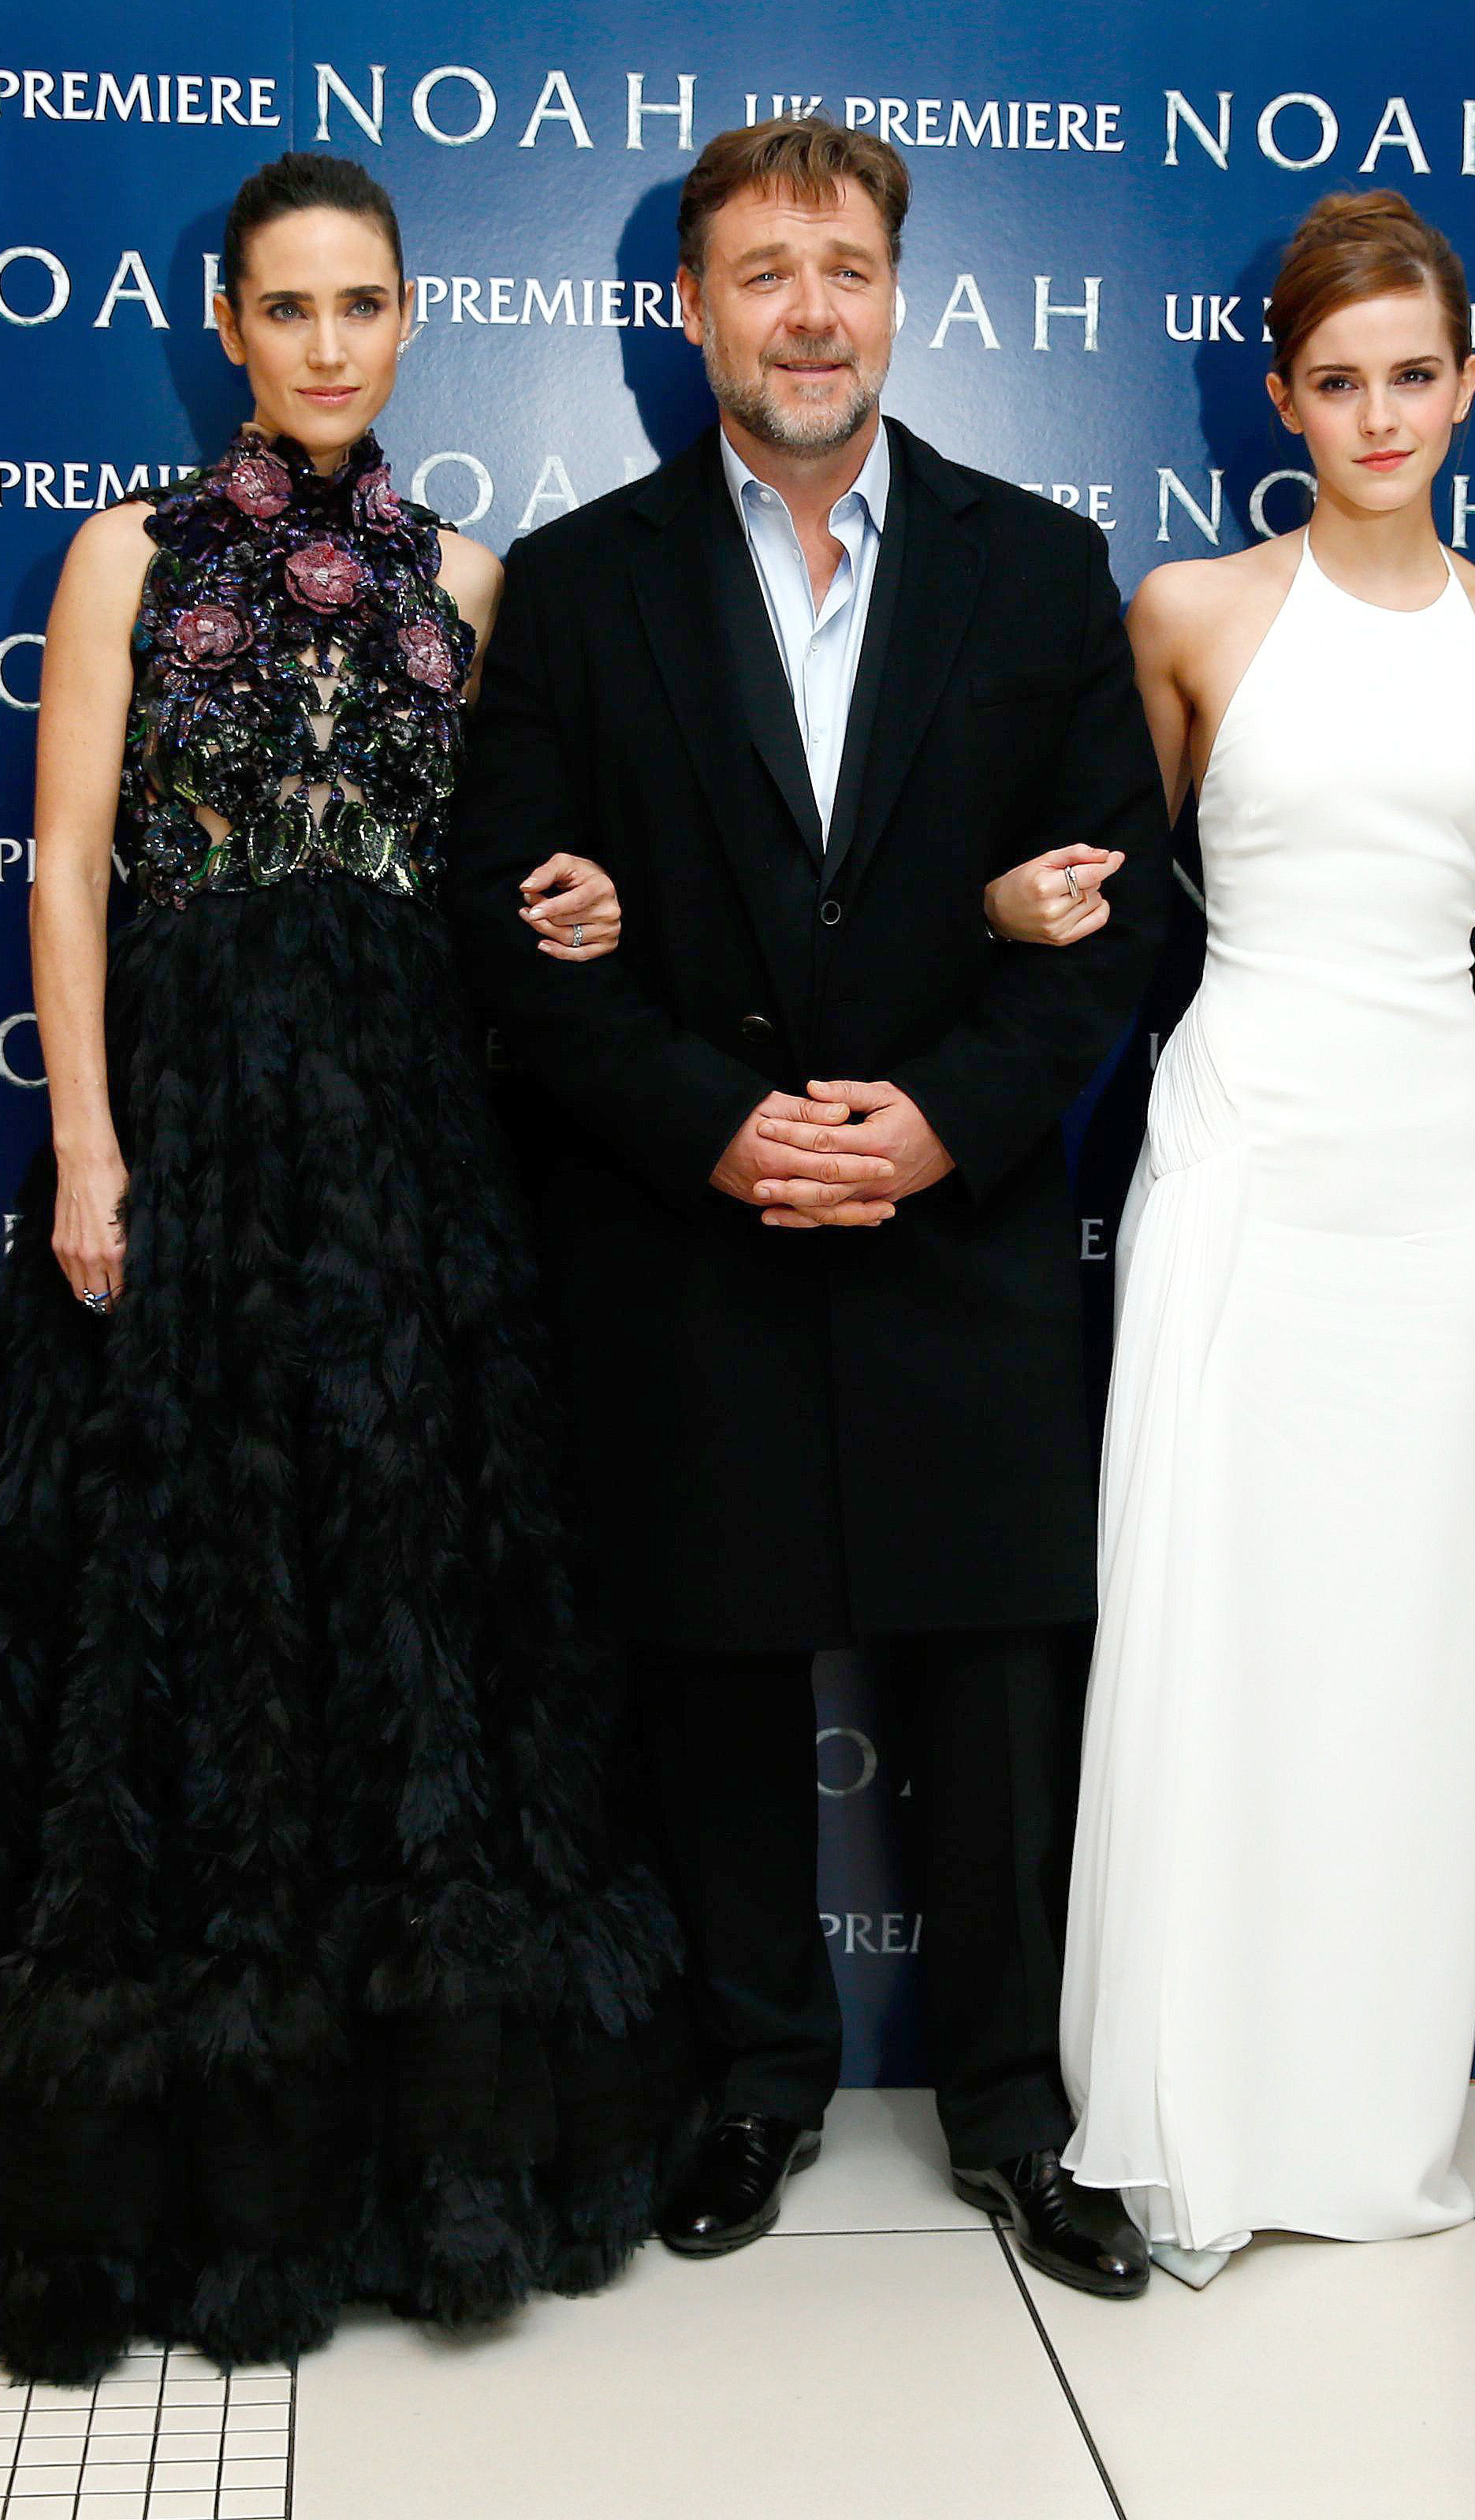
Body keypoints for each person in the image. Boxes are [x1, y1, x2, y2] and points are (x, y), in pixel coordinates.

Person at [0, 152, 695, 2379]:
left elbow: (505, 884)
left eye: (362, 305)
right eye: (288, 308)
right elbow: (67, 861)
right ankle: (137, 2096)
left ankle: (405, 2112)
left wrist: (582, 906)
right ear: (227, 330)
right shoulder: (124, 558)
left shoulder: (473, 581)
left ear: (409, 320)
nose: (327, 344)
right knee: (165, 1584)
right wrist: (88, 1138)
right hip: (191, 1110)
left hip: (413, 1134)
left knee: (410, 1582)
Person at [445, 118, 1171, 2302]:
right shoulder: (578, 585)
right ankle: (751, 2084)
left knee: (995, 1693)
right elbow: (515, 930)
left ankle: (1017, 2117)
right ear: (690, 311)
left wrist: (943, 1124)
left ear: (897, 295)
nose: (809, 308)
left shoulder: (1039, 568)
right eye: (761, 270)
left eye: (843, 265)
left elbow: (1121, 921)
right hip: (690, 1230)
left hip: (957, 1230)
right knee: (714, 1680)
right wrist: (714, 1128)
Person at [1033, 188, 1475, 2287]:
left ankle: (1357, 2116)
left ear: (1466, 382)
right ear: (1281, 397)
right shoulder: (1190, 612)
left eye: (1412, 376)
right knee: (1213, 1623)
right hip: (1242, 1153)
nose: (1379, 416)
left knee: (1389, 1641)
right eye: (1338, 381)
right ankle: (1187, 2104)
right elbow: (1121, 894)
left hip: (1423, 1179)